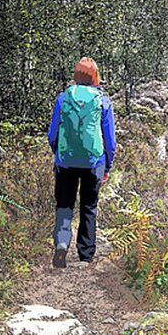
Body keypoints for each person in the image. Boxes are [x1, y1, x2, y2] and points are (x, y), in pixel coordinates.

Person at [47, 57, 116, 268]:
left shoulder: (63, 98)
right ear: (95, 76)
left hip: (65, 162)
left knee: (65, 205)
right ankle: (85, 255)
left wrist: (58, 154)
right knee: (88, 207)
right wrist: (108, 165)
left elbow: (52, 134)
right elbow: (110, 141)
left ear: (76, 76)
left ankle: (61, 244)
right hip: (93, 162)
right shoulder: (103, 101)